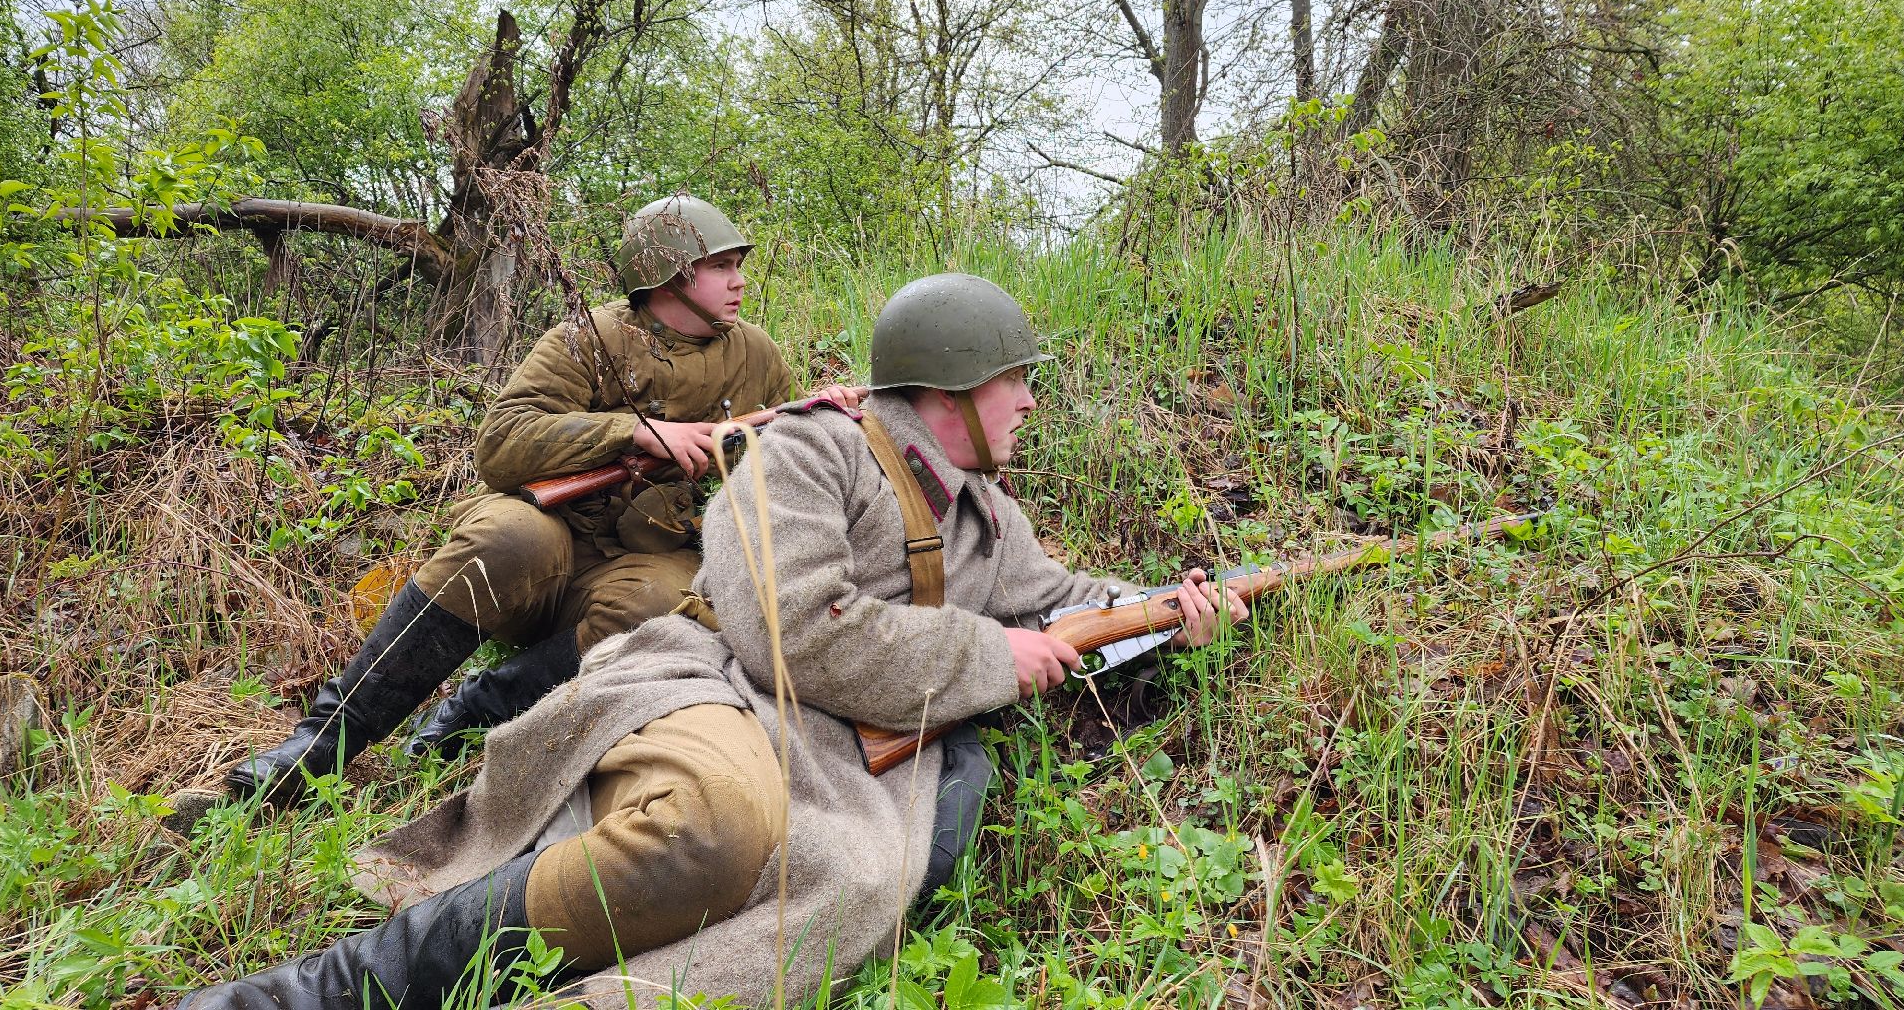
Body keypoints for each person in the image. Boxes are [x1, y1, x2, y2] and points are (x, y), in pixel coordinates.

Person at [181, 273, 1248, 1008]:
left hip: (844, 749)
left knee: (856, 885)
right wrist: (988, 658)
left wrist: (1174, 608)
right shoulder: (813, 452)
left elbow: (1060, 595)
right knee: (711, 824)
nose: (1029, 400)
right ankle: (312, 993)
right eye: (1018, 377)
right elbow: (793, 630)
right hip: (718, 684)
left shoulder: (983, 512)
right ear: (955, 383)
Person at [224, 194, 860, 802]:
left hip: (649, 548)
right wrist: (635, 432)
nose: (738, 280)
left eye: (737, 265)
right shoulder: (587, 339)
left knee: (666, 607)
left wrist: (820, 420)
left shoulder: (756, 354)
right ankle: (321, 745)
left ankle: (476, 710)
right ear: (668, 277)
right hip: (550, 527)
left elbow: (774, 456)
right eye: (720, 266)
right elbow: (499, 445)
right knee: (504, 541)